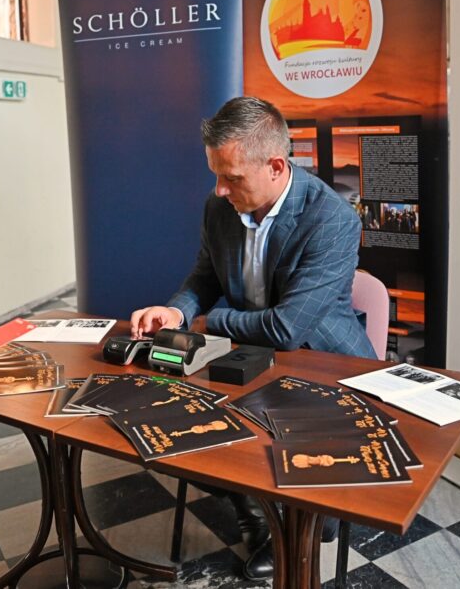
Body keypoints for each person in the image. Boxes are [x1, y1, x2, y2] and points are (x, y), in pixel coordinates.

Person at [130, 96, 375, 579]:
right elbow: (205, 276)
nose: (219, 189)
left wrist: (207, 323)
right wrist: (176, 311)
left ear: (276, 167)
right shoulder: (219, 206)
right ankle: (256, 510)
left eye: (232, 178)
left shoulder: (332, 218)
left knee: (299, 476)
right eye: (215, 175)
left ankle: (293, 524)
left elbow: (288, 328)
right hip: (252, 355)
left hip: (324, 362)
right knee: (184, 431)